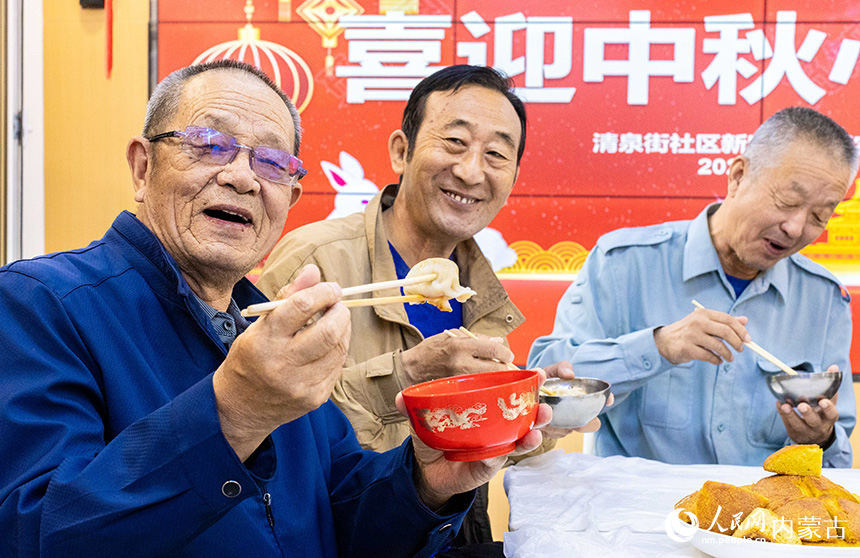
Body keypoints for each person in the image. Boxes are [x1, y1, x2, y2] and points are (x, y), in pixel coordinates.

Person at [0, 60, 554, 558]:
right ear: (143, 168)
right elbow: (36, 534)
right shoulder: (41, 305)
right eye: (208, 143)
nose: (241, 176)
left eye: (270, 161)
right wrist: (234, 412)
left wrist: (426, 481)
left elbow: (341, 511)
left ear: (288, 199)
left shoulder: (271, 320)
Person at [256, 65, 598, 554]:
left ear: (513, 176)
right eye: (455, 143)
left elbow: (465, 447)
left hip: (443, 535)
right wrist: (410, 372)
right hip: (336, 538)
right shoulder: (317, 260)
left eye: (496, 154)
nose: (472, 171)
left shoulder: (477, 287)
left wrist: (533, 414)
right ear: (401, 149)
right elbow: (272, 429)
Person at [530, 106, 858, 468]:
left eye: (819, 216)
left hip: (759, 517)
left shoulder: (824, 300)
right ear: (737, 176)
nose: (796, 228)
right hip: (639, 514)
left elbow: (837, 460)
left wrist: (820, 439)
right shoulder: (624, 263)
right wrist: (658, 347)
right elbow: (546, 384)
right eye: (788, 202)